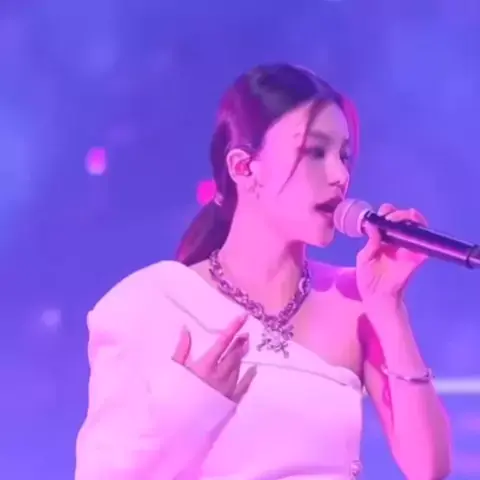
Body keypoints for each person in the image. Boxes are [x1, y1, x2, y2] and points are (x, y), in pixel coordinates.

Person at [75, 64, 451, 479]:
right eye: (315, 152)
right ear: (243, 167)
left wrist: (389, 308)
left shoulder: (355, 300)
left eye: (344, 156)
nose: (340, 175)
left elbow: (429, 469)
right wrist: (191, 409)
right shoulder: (153, 302)